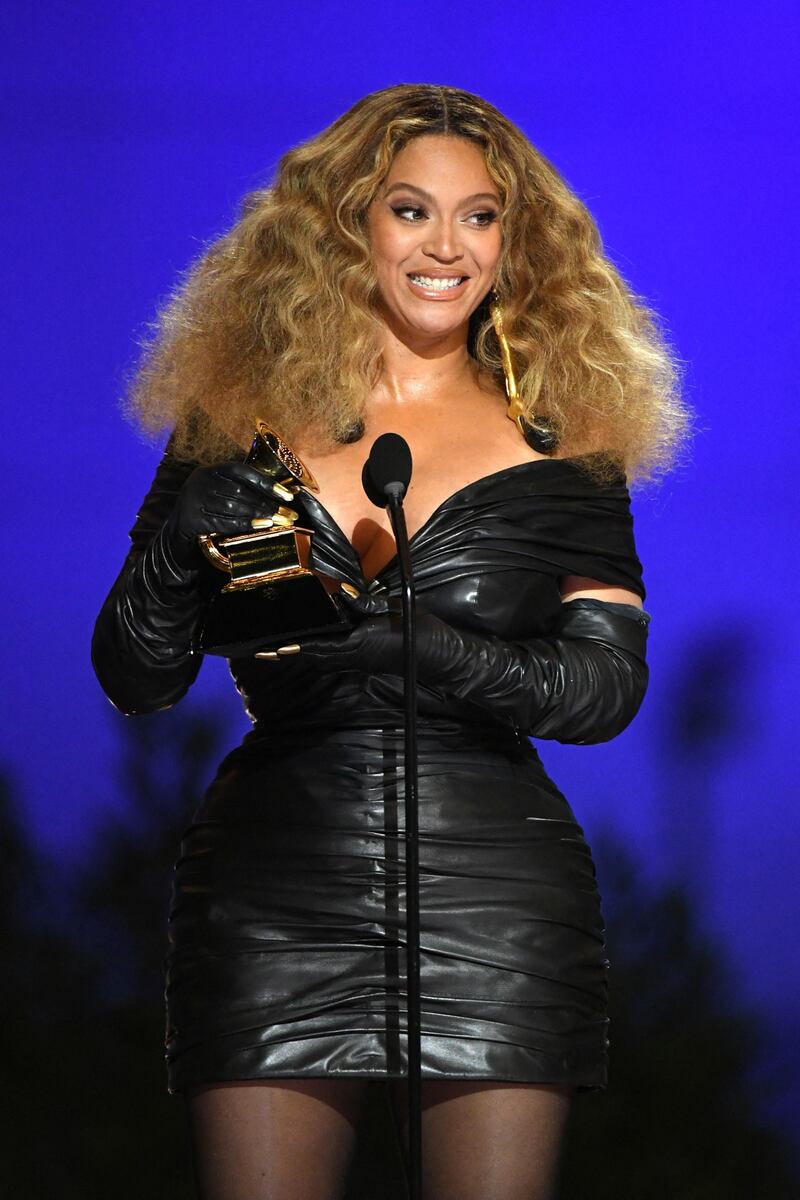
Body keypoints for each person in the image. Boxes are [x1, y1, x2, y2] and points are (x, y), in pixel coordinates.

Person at [92, 84, 688, 1200]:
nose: (445, 245)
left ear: (515, 243)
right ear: (347, 224)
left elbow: (605, 690)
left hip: (495, 893)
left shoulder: (568, 444)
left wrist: (422, 649)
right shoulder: (232, 413)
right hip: (270, 882)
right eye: (410, 210)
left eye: (479, 215)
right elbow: (136, 676)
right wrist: (177, 548)